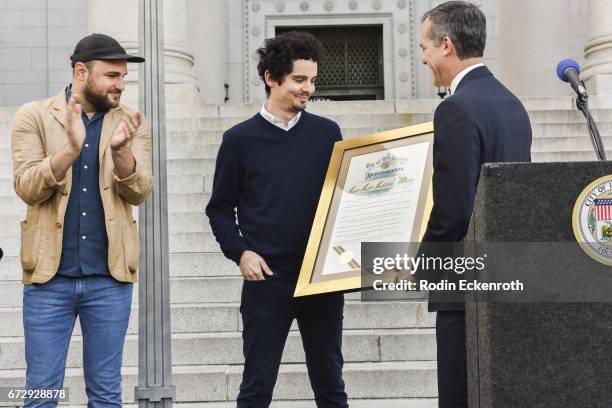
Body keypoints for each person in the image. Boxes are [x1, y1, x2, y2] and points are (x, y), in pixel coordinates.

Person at [205, 31, 348, 408]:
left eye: (313, 80)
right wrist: (241, 253)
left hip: (322, 280)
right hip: (267, 280)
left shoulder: (328, 134)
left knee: (331, 386)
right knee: (256, 388)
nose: (309, 89)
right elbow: (219, 208)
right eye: (300, 80)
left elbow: (342, 203)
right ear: (271, 78)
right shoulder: (239, 140)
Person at [11, 33, 152, 407]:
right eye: (111, 75)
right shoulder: (34, 116)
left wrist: (121, 152)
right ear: (81, 71)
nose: (120, 85)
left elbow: (140, 191)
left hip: (110, 279)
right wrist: (70, 151)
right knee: (41, 393)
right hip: (47, 279)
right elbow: (27, 187)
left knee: (106, 395)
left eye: (123, 76)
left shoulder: (131, 122)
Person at [418, 2, 532, 407]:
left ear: (446, 45)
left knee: (460, 394)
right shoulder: (512, 104)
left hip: (464, 283)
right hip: (504, 276)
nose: (424, 59)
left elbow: (453, 208)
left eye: (425, 48)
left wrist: (422, 264)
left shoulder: (456, 108)